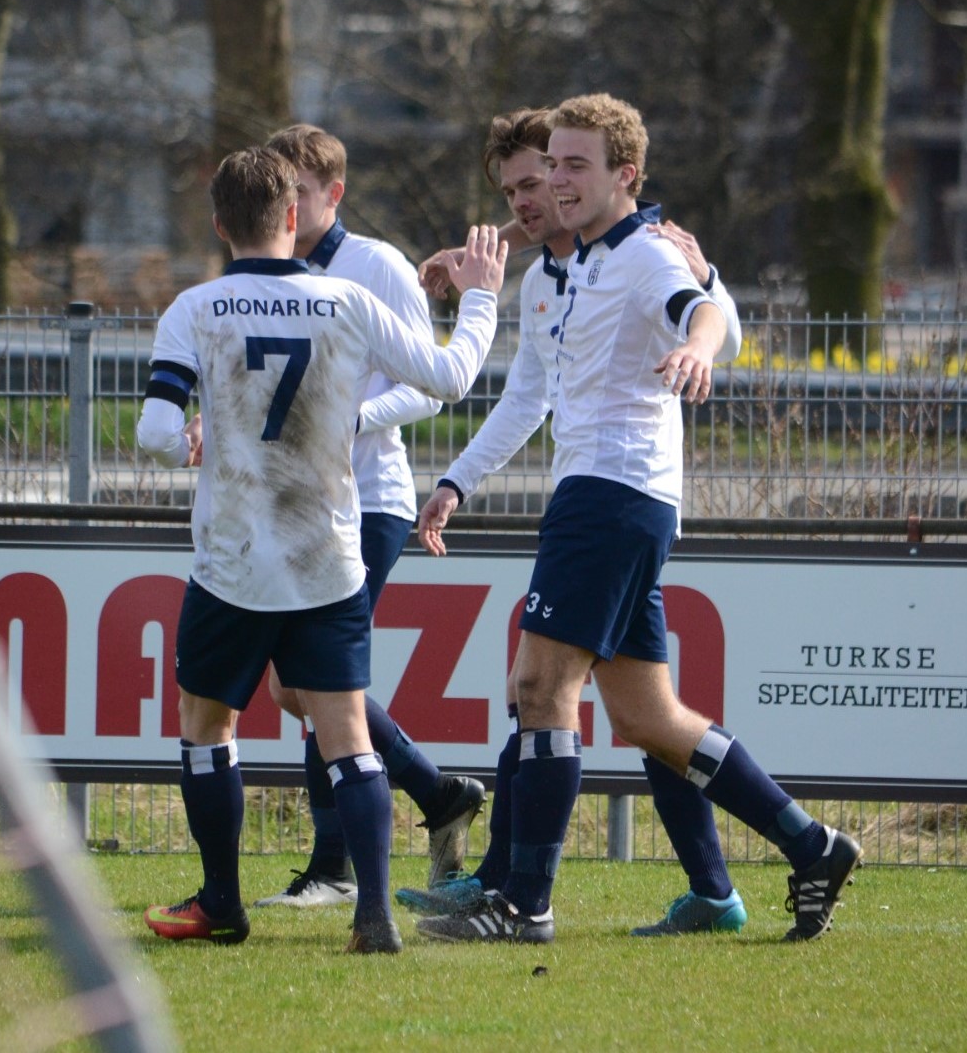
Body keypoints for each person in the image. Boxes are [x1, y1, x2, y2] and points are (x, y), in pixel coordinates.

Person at [410, 94, 860, 946]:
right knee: (650, 720)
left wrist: (699, 343)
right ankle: (814, 845)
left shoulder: (647, 256)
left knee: (540, 688)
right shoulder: (563, 268)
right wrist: (457, 481)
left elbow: (704, 310)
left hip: (613, 498)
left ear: (626, 176)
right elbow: (527, 395)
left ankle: (525, 903)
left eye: (573, 167)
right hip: (609, 500)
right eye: (552, 168)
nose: (554, 183)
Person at [135, 146, 508, 953]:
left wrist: (198, 439)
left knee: (206, 726)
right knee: (345, 733)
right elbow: (448, 379)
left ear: (218, 224)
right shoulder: (344, 301)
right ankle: (372, 915)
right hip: (326, 556)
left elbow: (157, 433)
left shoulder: (195, 308)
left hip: (233, 559)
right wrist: (479, 301)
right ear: (293, 218)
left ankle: (221, 903)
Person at [248, 124, 485, 910]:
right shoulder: (271, 271)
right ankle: (434, 791)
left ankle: (333, 868)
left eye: (302, 194)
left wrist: (350, 422)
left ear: (334, 195)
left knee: (317, 675)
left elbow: (430, 384)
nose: (287, 207)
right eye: (278, 194)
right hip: (299, 501)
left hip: (370, 500)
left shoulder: (374, 265)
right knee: (297, 682)